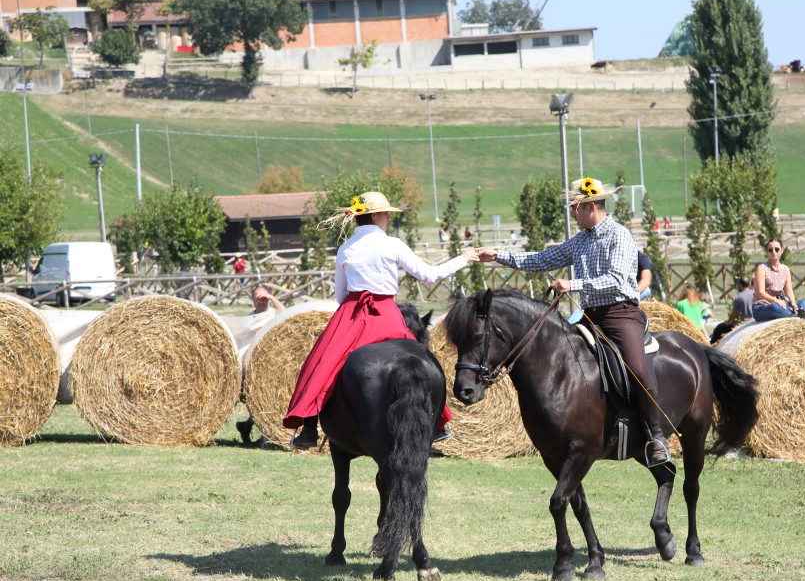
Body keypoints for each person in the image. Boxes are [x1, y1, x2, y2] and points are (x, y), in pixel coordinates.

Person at [477, 176, 671, 466]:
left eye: (574, 208)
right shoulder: (580, 240)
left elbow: (617, 281)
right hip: (589, 317)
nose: (571, 213)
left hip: (621, 315)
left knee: (637, 370)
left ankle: (657, 436)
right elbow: (540, 259)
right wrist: (498, 255)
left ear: (590, 207)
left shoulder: (619, 236)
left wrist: (573, 284)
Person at [283, 191, 479, 446]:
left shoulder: (345, 248)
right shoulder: (392, 244)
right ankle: (437, 424)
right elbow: (429, 275)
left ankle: (309, 428)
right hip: (387, 314)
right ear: (374, 215)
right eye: (386, 213)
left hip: (352, 312)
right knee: (422, 359)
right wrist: (462, 259)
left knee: (319, 363)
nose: (388, 217)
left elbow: (341, 294)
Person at [235, 286, 287, 446]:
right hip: (252, 363)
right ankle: (260, 433)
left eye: (263, 297)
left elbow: (287, 314)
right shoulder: (250, 319)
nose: (261, 301)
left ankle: (249, 427)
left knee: (268, 398)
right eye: (258, 297)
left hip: (270, 363)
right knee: (259, 399)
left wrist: (270, 297)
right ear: (252, 300)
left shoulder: (273, 314)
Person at [752, 239, 805, 322]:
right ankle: (799, 315)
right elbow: (760, 293)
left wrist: (793, 302)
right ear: (767, 252)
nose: (774, 252)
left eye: (777, 249)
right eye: (770, 250)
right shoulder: (761, 268)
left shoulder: (785, 269)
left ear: (782, 250)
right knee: (775, 308)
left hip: (782, 303)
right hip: (762, 307)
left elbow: (788, 290)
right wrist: (776, 301)